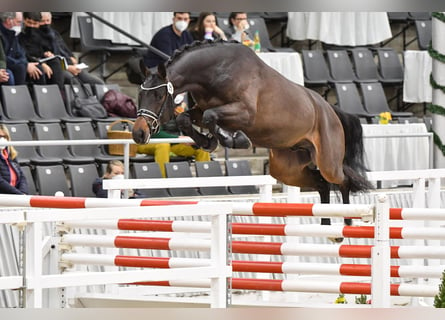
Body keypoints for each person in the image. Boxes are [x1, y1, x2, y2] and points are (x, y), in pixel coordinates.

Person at [39, 12, 104, 86]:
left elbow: (65, 49)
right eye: (43, 21)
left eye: (48, 20)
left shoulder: (55, 34)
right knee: (75, 83)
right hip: (58, 68)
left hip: (71, 65)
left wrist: (72, 57)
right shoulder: (37, 37)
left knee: (98, 83)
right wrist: (67, 67)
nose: (46, 23)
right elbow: (54, 59)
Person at [136, 125, 211, 178]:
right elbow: (155, 133)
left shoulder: (178, 109)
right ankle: (163, 182)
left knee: (202, 148)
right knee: (164, 146)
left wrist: (182, 117)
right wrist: (177, 138)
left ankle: (205, 181)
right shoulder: (156, 108)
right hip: (150, 142)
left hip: (175, 144)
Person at [18, 12, 65, 90]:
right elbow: (24, 53)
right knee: (40, 70)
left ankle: (58, 94)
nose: (32, 26)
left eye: (35, 24)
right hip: (31, 61)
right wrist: (42, 62)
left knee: (56, 63)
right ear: (24, 20)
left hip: (61, 64)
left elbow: (63, 51)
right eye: (29, 23)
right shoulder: (20, 35)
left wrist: (46, 54)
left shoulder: (48, 34)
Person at [0, 12, 43, 86]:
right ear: (8, 20)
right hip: (7, 65)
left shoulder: (13, 33)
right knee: (11, 73)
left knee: (39, 69)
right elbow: (3, 57)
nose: (20, 25)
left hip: (10, 63)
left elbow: (21, 53)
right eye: (19, 22)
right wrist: (25, 64)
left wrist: (25, 63)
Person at [0, 124, 29, 194]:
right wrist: (18, 194)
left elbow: (22, 176)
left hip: (16, 195)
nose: (2, 139)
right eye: (0, 136)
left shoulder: (11, 155)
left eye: (5, 137)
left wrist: (23, 192)